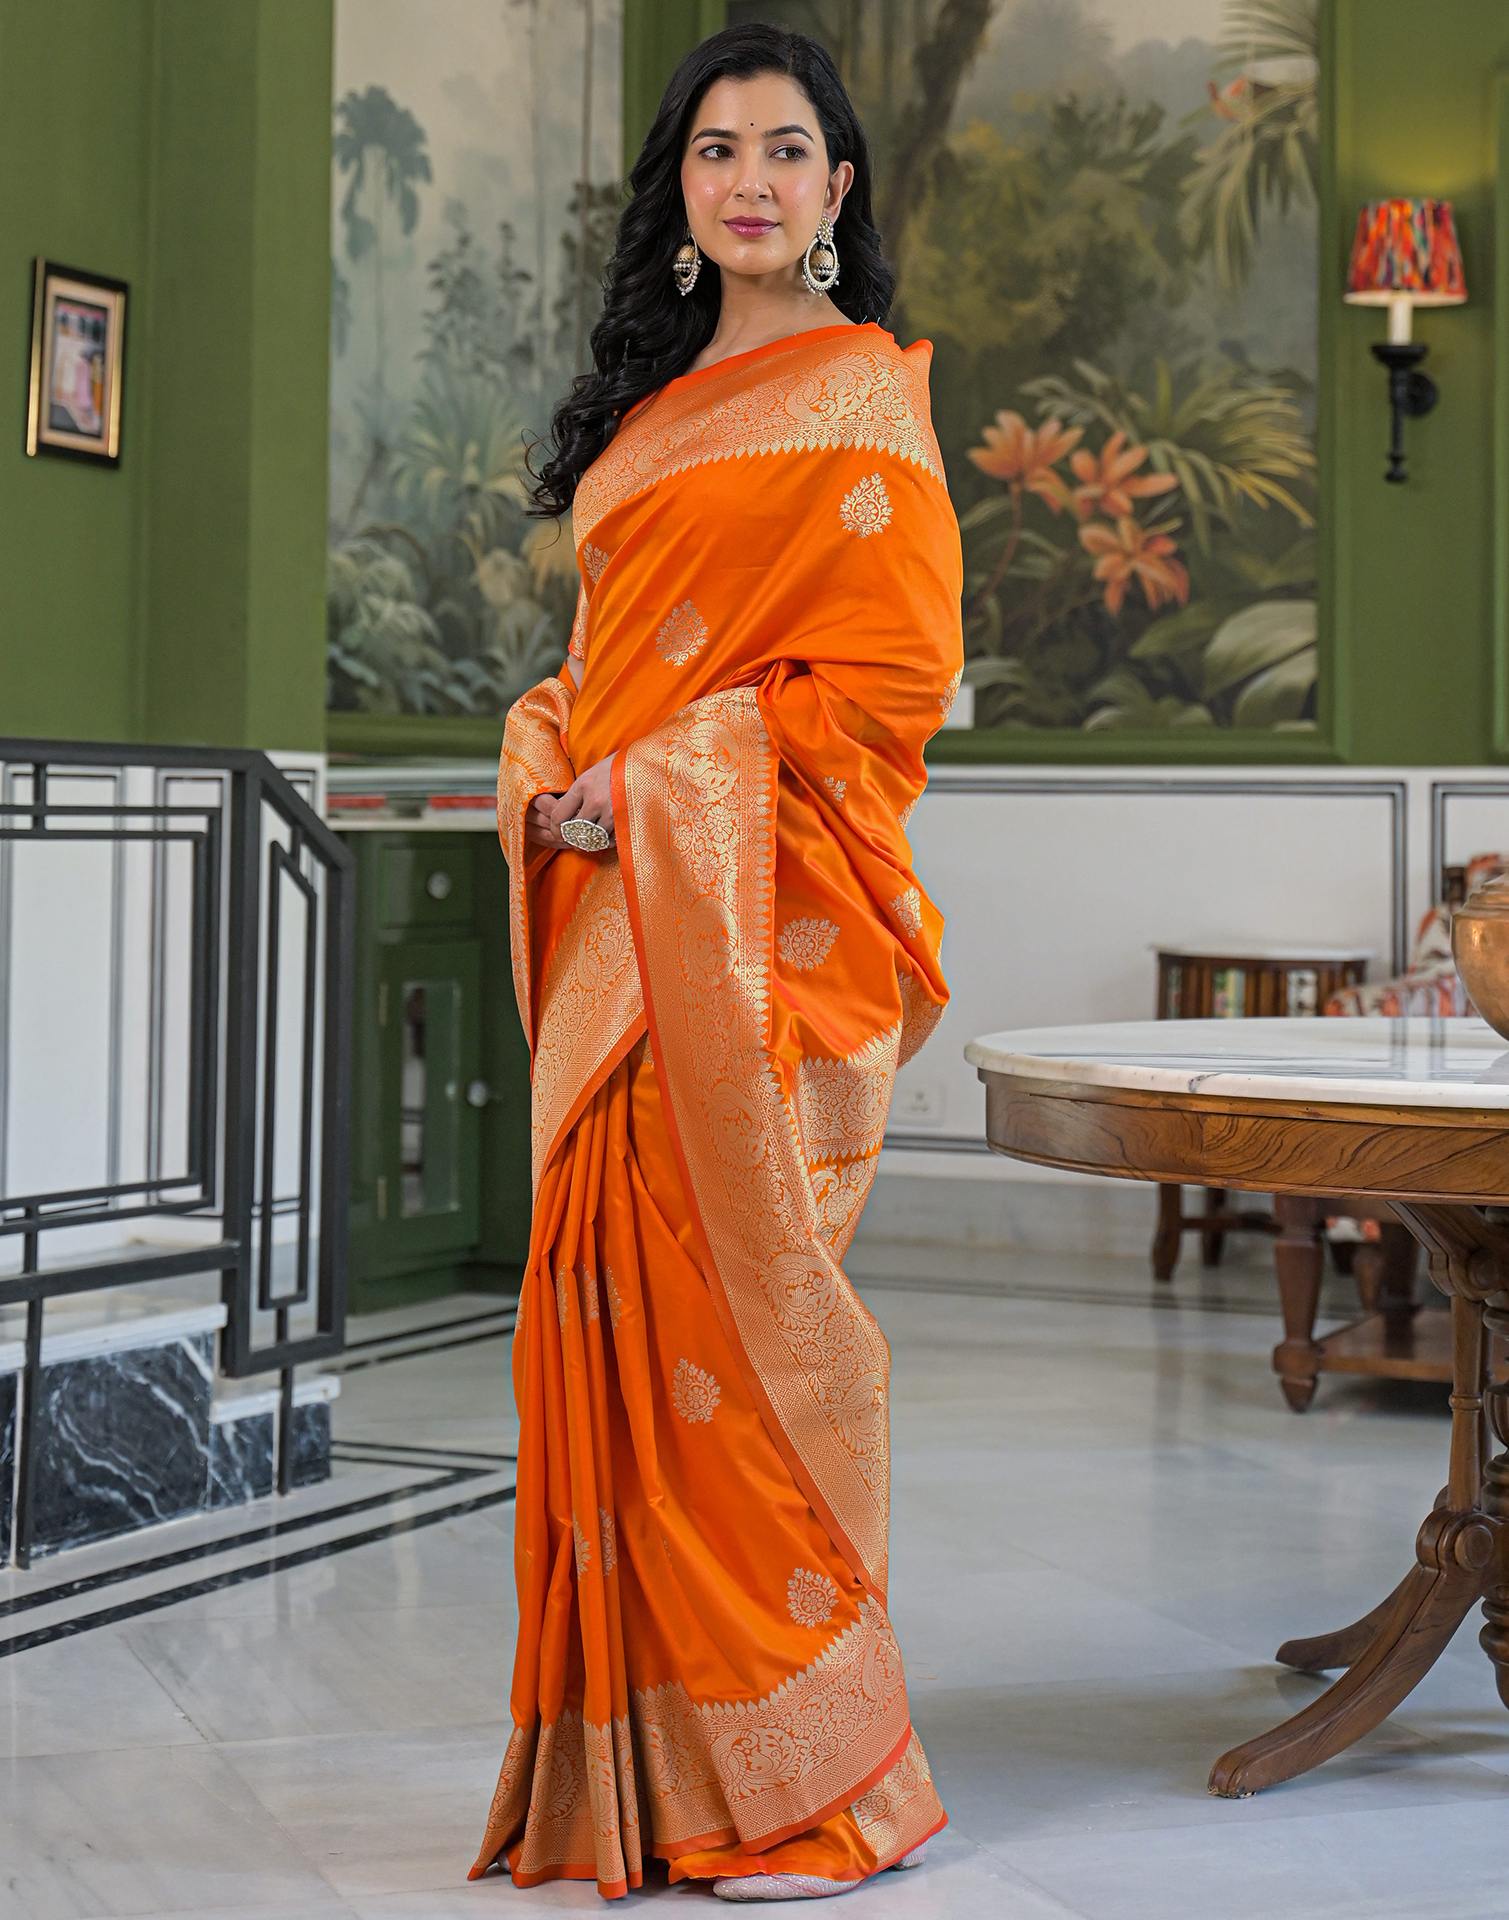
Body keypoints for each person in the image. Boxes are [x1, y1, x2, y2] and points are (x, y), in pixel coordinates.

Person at [469, 20, 963, 1904]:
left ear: (836, 188)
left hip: (743, 935)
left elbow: (881, 693)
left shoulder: (865, 407)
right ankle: (651, 1778)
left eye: (783, 149)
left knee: (727, 1349)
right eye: (711, 152)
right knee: (602, 1335)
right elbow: (600, 674)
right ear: (678, 195)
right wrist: (551, 764)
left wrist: (659, 785)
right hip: (619, 924)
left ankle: (814, 1786)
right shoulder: (642, 418)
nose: (747, 178)